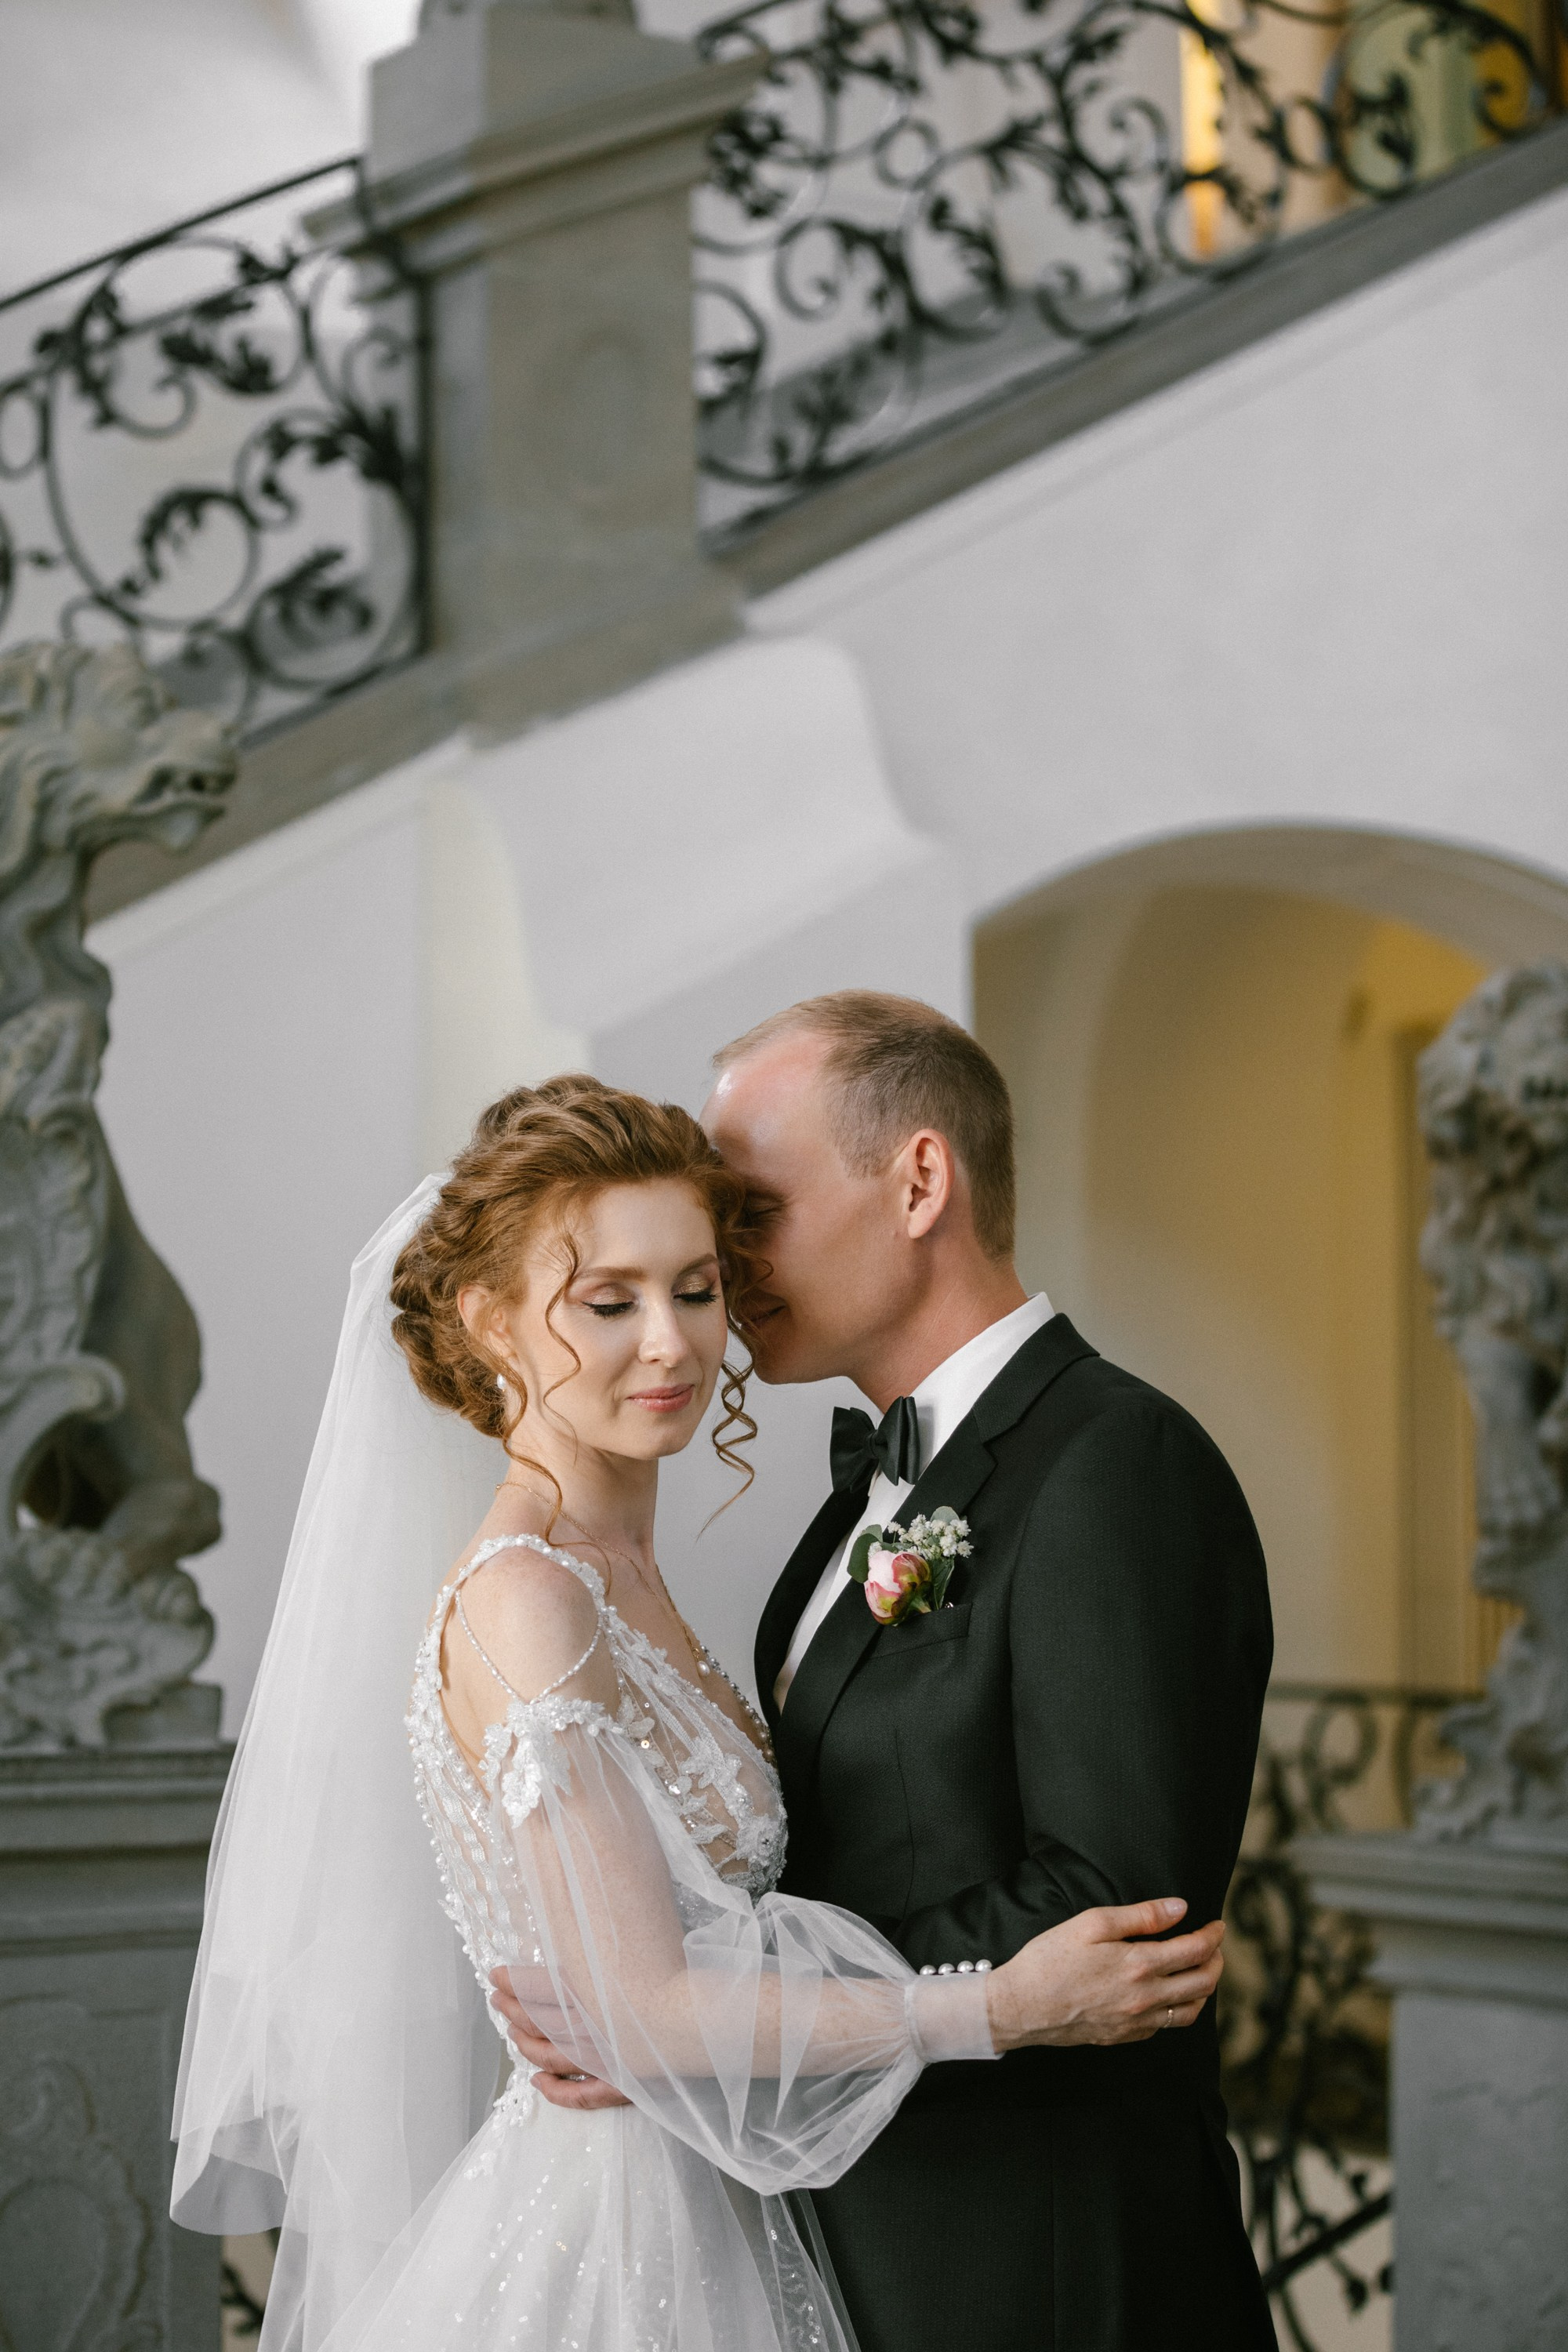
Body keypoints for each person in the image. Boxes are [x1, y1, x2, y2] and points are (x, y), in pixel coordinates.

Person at [171, 1074, 1226, 2352]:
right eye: (608, 1303)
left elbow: (696, 1947)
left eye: (696, 1286)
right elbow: (653, 2008)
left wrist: (658, 2011)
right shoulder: (528, 1601)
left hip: (741, 2188)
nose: (672, 1343)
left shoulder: (630, 1576)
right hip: (619, 2233)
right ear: (489, 1319)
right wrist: (994, 2005)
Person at [507, 1000, 1278, 2352]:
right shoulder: (856, 1504)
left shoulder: (1117, 1466)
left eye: (752, 1212)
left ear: (920, 1182)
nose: (725, 1270)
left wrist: (696, 2018)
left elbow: (1114, 1900)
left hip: (1044, 2258)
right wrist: (659, 2001)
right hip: (854, 2231)